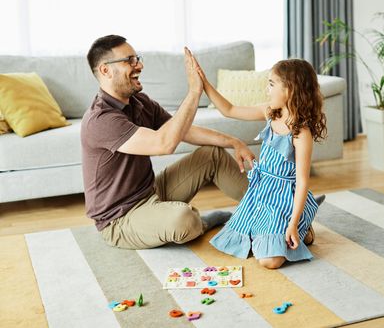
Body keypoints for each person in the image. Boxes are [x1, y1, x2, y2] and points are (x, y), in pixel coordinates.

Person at [81, 35, 256, 249]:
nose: (140, 65)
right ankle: (202, 222)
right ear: (105, 70)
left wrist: (234, 142)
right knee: (183, 219)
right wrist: (194, 92)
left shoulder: (139, 102)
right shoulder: (101, 119)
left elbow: (183, 130)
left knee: (213, 154)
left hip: (151, 191)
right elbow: (164, 144)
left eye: (137, 58)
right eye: (130, 61)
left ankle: (267, 210)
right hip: (120, 219)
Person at [196, 58, 327, 269]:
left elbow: (302, 182)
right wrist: (203, 83)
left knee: (270, 261)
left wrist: (292, 225)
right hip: (261, 192)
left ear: (290, 90)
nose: (267, 90)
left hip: (284, 198)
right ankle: (292, 222)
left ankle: (302, 222)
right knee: (241, 244)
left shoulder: (301, 133)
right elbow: (228, 109)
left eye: (272, 84)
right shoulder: (269, 112)